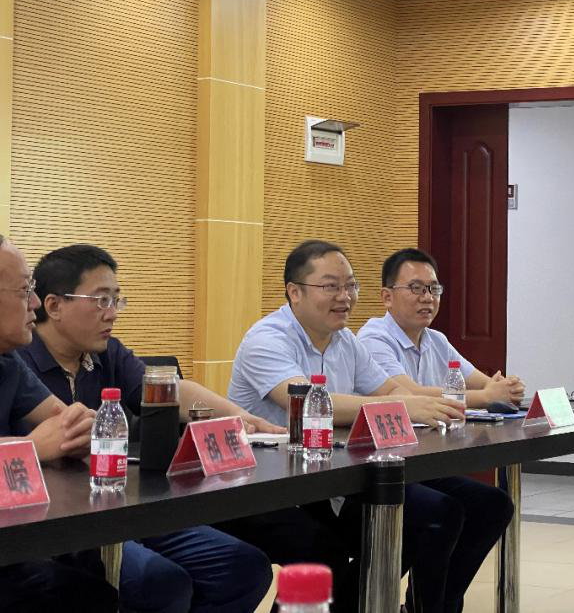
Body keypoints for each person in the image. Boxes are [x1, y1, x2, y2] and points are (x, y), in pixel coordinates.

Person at [228, 239, 513, 613]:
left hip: (334, 477)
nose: (345, 297)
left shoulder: (346, 340)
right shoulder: (267, 338)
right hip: (268, 486)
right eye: (331, 286)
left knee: (435, 515)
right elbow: (307, 403)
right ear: (294, 292)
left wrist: (413, 403)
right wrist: (403, 404)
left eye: (350, 286)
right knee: (325, 548)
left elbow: (391, 390)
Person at [18, 244, 275, 613]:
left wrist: (242, 418)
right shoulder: (18, 359)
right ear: (54, 305)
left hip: (124, 506)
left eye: (116, 300)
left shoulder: (107, 352)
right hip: (61, 523)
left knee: (243, 568)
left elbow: (167, 388)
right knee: (160, 582)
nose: (112, 313)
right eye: (101, 300)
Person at [0, 235, 118, 612]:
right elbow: (47, 439)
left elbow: (69, 422)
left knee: (89, 580)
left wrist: (81, 429)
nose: (35, 303)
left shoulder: (8, 361)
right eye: (24, 290)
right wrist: (32, 448)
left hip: (17, 537)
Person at [357, 247, 524, 408]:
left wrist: (507, 387)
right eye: (416, 288)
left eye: (434, 288)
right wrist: (486, 397)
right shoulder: (373, 338)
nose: (428, 297)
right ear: (387, 297)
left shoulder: (437, 340)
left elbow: (484, 384)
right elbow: (407, 395)